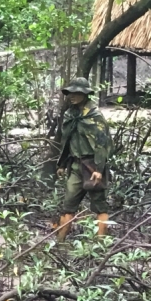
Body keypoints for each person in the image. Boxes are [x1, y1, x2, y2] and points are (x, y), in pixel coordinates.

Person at [54, 76, 114, 241]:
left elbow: (102, 144)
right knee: (68, 206)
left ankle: (101, 245)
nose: (72, 96)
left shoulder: (95, 116)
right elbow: (67, 140)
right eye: (70, 93)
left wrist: (99, 170)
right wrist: (62, 163)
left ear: (85, 94)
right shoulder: (69, 115)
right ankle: (59, 243)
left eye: (77, 93)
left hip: (92, 166)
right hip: (75, 166)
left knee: (100, 207)